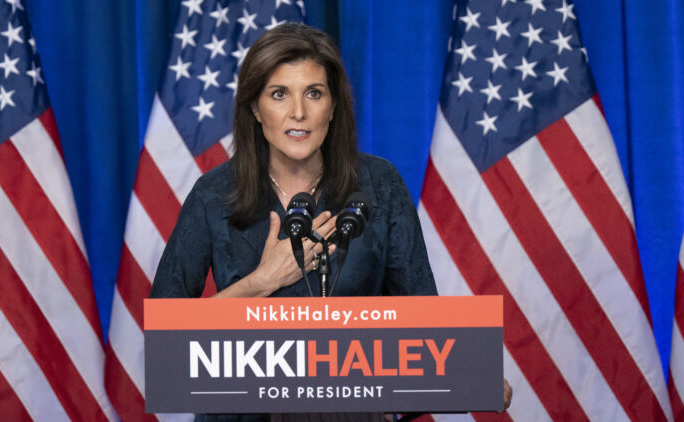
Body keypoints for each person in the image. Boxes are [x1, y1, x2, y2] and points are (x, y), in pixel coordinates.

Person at [150, 23, 510, 420]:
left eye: (314, 93)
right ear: (255, 108)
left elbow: (422, 320)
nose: (298, 112)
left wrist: (467, 375)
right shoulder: (214, 194)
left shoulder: (380, 184)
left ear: (334, 106)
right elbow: (166, 338)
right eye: (279, 94)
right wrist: (262, 281)